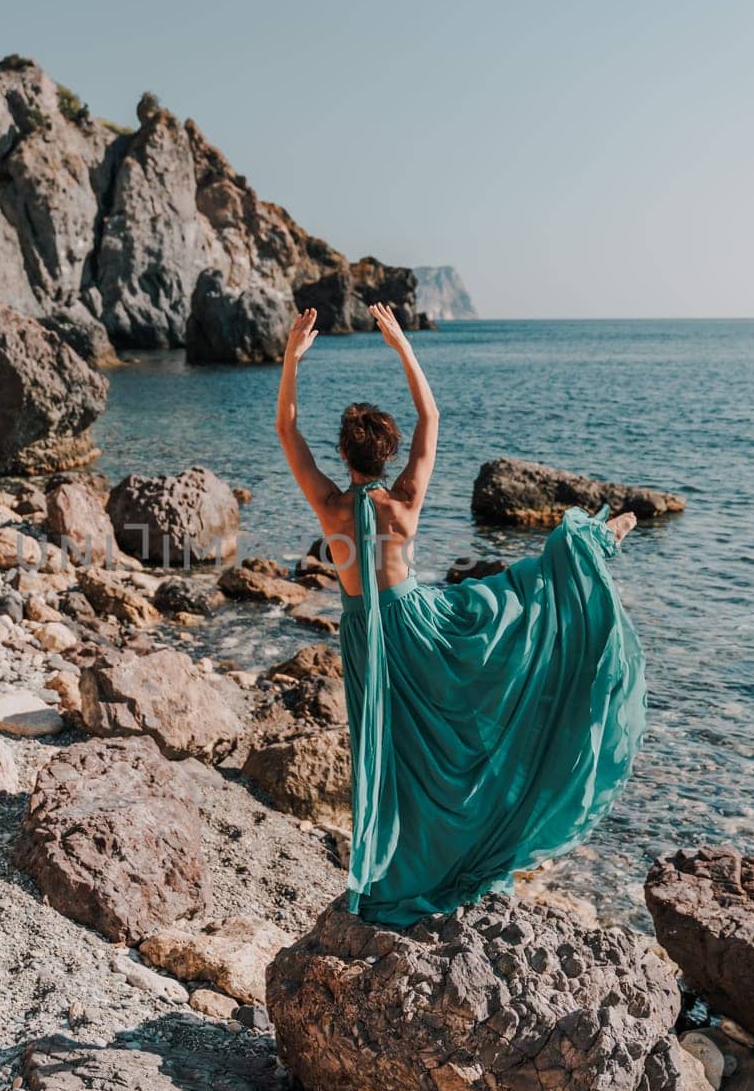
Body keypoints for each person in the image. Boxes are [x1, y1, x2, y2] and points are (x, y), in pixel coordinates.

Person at [275, 302, 646, 925]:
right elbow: (431, 415)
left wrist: (290, 360)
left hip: (367, 635)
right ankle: (588, 546)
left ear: (343, 453)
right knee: (516, 619)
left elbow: (286, 429)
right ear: (386, 452)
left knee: (391, 758)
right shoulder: (404, 503)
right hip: (419, 625)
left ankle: (396, 875)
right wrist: (402, 348)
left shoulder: (331, 505)